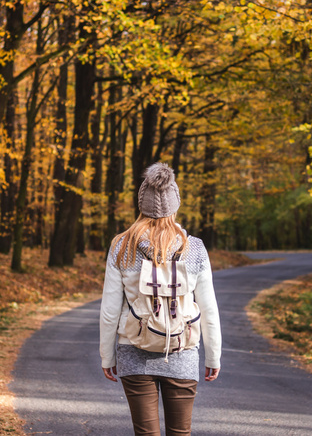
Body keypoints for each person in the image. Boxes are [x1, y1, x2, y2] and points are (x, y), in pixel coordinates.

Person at [100, 162, 222, 436]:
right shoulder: (195, 248)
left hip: (132, 350)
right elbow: (209, 309)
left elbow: (110, 310)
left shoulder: (121, 246)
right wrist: (213, 356)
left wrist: (107, 356)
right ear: (175, 204)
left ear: (140, 204)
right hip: (182, 350)